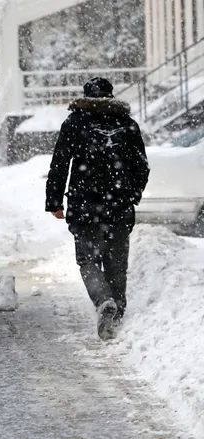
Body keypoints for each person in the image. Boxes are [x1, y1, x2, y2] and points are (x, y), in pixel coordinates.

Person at [45, 77, 150, 340]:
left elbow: (60, 164)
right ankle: (117, 314)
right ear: (111, 96)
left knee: (88, 260)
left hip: (84, 207)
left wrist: (54, 202)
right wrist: (131, 195)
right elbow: (142, 167)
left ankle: (104, 302)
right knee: (116, 263)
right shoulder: (127, 125)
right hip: (119, 207)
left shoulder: (74, 123)